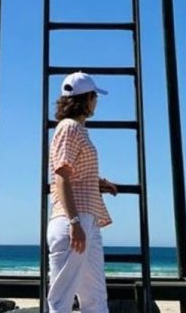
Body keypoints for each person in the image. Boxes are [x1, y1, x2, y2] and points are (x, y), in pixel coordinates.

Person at [46, 71, 119, 313]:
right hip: (73, 221)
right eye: (95, 96)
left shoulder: (77, 129)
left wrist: (98, 182)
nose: (96, 101)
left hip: (86, 220)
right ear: (86, 98)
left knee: (95, 296)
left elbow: (74, 172)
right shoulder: (68, 128)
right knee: (61, 300)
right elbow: (61, 176)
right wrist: (74, 222)